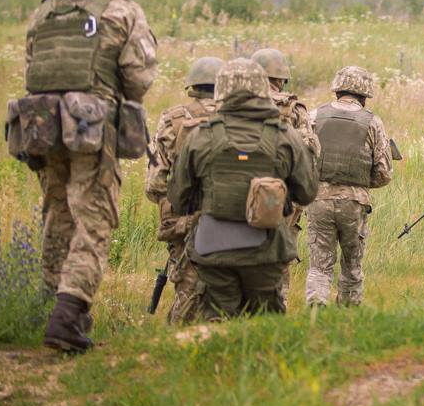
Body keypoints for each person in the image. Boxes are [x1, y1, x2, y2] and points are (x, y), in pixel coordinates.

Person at [20, 0, 158, 352]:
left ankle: (54, 311)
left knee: (57, 217)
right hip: (92, 130)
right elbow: (139, 77)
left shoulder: (44, 13)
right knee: (93, 223)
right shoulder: (123, 12)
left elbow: (31, 69)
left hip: (42, 127)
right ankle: (66, 318)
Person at [167, 58, 317, 319]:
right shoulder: (285, 135)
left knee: (216, 319)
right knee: (265, 324)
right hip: (267, 250)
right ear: (262, 89)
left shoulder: (201, 136)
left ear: (221, 90)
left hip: (212, 249)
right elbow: (306, 192)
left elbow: (178, 199)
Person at [304, 66, 393, 307]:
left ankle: (315, 306)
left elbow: (302, 161)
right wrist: (361, 184)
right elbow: (384, 173)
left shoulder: (313, 116)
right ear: (364, 95)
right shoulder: (372, 122)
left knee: (319, 262)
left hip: (318, 199)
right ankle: (349, 311)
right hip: (355, 202)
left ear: (338, 90)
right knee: (352, 263)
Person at [144, 55, 223, 324]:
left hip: (183, 220)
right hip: (232, 219)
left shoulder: (172, 120)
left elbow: (155, 183)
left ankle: (179, 343)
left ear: (192, 86)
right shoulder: (237, 119)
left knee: (187, 290)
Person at [249, 47, 319, 303]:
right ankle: (276, 310)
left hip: (237, 192)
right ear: (281, 79)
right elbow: (311, 153)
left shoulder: (232, 102)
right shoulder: (294, 109)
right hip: (280, 198)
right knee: (279, 257)